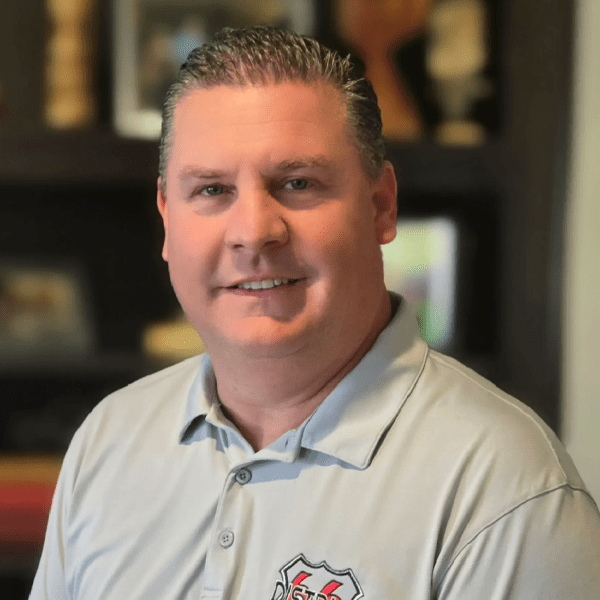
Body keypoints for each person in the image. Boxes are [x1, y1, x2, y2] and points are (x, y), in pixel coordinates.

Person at [30, 26, 600, 600]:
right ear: (166, 218)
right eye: (211, 190)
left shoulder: (505, 490)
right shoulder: (109, 439)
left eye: (297, 183)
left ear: (381, 206)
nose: (253, 233)